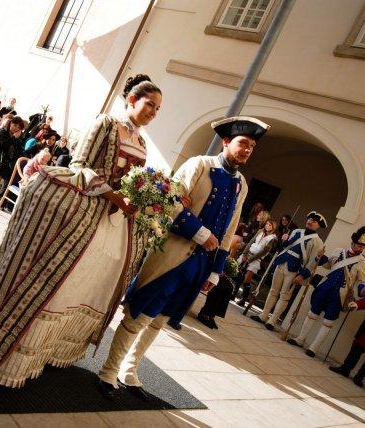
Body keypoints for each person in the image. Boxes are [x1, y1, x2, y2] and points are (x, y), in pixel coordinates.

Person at [0, 74, 161, 388]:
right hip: (82, 212)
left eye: (158, 109)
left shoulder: (143, 142)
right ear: (132, 100)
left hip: (110, 225)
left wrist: (137, 199)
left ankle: (47, 352)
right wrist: (114, 196)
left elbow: (131, 183)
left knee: (77, 289)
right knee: (46, 280)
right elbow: (80, 165)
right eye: (150, 104)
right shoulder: (105, 124)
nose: (153, 112)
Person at [97, 116, 269, 399]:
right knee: (141, 313)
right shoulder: (200, 165)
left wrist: (215, 270)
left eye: (252, 146)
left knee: (161, 319)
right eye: (243, 143)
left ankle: (129, 369)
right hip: (173, 254)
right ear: (226, 142)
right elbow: (171, 202)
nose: (248, 150)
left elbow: (229, 229)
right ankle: (108, 371)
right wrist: (200, 233)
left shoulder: (241, 184)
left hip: (200, 264)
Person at [287, 225, 365, 357]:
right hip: (324, 287)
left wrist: (363, 291)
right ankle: (300, 339)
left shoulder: (363, 262)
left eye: (363, 247)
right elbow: (328, 265)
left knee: (328, 322)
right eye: (359, 245)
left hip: (339, 295)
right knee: (312, 313)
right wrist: (320, 257)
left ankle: (313, 348)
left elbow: (360, 281)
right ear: (352, 242)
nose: (361, 248)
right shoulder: (338, 251)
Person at [250, 211, 325, 330]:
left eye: (314, 221)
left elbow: (312, 262)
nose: (310, 222)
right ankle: (263, 315)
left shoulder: (318, 242)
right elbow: (284, 247)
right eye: (309, 219)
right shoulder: (296, 231)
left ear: (318, 225)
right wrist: (284, 240)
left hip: (294, 269)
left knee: (284, 296)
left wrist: (302, 275)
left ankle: (272, 320)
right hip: (282, 262)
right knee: (273, 291)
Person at [233, 217, 278, 307]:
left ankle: (243, 299)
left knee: (247, 279)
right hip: (247, 254)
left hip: (256, 259)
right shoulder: (260, 231)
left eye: (270, 225)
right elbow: (251, 242)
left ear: (273, 227)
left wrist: (251, 259)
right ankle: (233, 293)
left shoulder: (273, 238)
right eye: (267, 224)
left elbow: (264, 252)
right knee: (239, 274)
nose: (267, 226)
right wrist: (245, 254)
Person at [0, 115, 25, 208]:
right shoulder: (2, 132)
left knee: (17, 176)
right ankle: (0, 202)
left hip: (5, 163)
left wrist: (18, 140)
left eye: (19, 128)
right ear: (11, 124)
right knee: (9, 175)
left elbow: (20, 152)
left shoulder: (17, 139)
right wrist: (13, 138)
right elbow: (0, 145)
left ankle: (8, 204)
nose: (16, 128)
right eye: (15, 125)